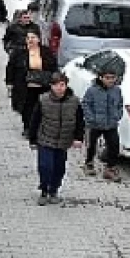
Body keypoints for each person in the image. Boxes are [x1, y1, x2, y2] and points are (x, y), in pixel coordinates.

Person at [28, 72, 85, 205]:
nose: (59, 88)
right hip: (45, 139)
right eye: (56, 85)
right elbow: (35, 120)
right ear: (51, 86)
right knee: (45, 166)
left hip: (63, 141)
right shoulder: (43, 100)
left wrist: (78, 138)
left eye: (62, 85)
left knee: (59, 168)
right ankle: (43, 190)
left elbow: (79, 121)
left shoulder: (74, 102)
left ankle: (54, 190)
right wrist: (32, 139)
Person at [5, 30, 58, 137]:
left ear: (38, 39)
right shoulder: (19, 52)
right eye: (28, 38)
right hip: (25, 85)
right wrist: (9, 82)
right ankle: (27, 128)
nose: (30, 40)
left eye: (33, 38)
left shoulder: (46, 52)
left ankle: (40, 128)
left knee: (42, 107)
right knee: (26, 107)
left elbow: (53, 67)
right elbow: (10, 67)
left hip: (42, 85)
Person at [81, 68, 123, 182]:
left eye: (112, 78)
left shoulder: (117, 90)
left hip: (111, 124)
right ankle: (89, 163)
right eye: (107, 78)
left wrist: (117, 115)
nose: (110, 81)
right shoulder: (92, 90)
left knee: (114, 145)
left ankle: (110, 168)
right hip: (95, 124)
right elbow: (85, 104)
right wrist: (91, 118)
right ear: (101, 78)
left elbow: (120, 104)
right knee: (91, 145)